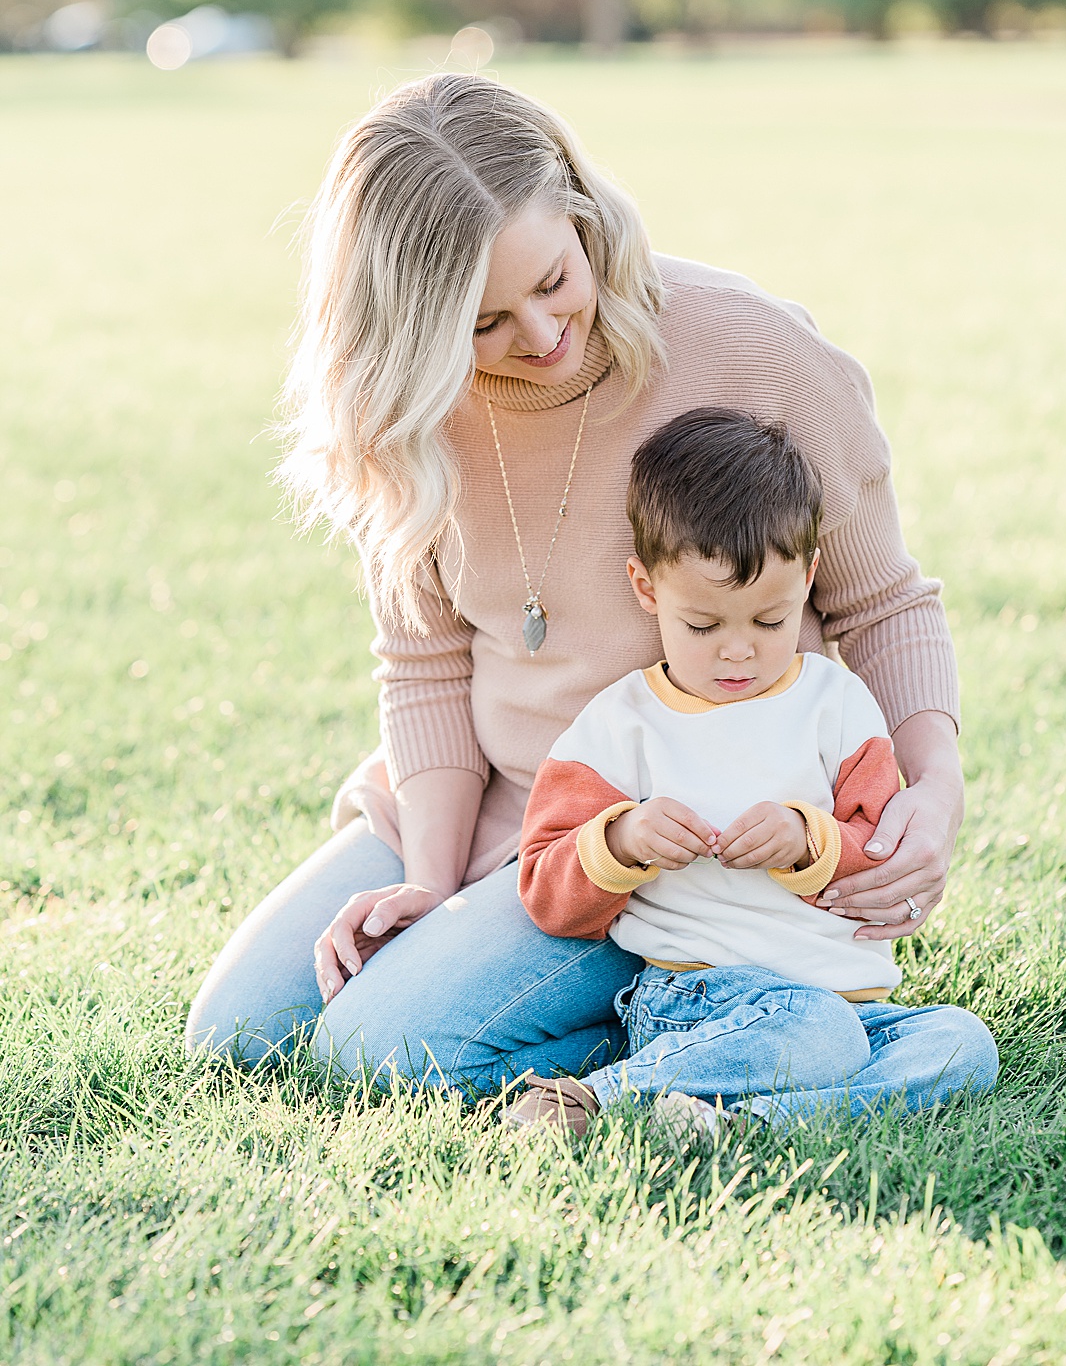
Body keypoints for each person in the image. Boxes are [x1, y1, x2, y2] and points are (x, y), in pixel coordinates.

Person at [185, 72, 970, 1096]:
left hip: (668, 830)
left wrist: (936, 786)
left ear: (584, 213)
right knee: (239, 1037)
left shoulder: (750, 346)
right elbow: (422, 666)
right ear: (410, 325)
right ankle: (682, 1021)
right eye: (482, 323)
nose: (544, 336)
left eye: (554, 281)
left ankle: (721, 1012)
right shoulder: (405, 413)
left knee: (375, 1053)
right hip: (490, 799)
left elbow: (882, 600)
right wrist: (430, 872)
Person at [507, 409, 997, 1135]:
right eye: (703, 626)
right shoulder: (620, 725)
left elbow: (880, 850)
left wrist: (810, 843)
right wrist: (623, 840)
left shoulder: (837, 705)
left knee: (961, 1043)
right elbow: (544, 887)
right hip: (699, 998)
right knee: (818, 1033)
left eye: (770, 622)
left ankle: (752, 1122)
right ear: (646, 588)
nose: (738, 653)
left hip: (850, 1004)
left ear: (809, 578)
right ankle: (600, 1099)